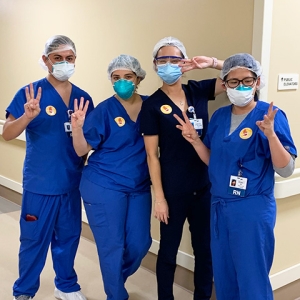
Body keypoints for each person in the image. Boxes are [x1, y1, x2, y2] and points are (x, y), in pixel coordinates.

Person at [174, 53, 297, 300]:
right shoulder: (219, 117)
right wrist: (196, 141)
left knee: (252, 276)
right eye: (233, 81)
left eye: (247, 81)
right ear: (224, 84)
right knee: (224, 274)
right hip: (219, 206)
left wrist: (271, 135)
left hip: (251, 208)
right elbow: (214, 161)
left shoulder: (270, 115)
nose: (240, 86)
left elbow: (286, 168)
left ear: (257, 82)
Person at [3, 35, 94, 300]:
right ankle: (24, 290)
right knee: (33, 239)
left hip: (70, 183)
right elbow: (7, 133)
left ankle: (66, 285)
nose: (64, 63)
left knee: (68, 237)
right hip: (41, 183)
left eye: (70, 58)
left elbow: (89, 141)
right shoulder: (30, 93)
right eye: (58, 58)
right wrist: (26, 116)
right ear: (46, 60)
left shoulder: (83, 98)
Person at [139, 36, 224, 300]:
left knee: (205, 252)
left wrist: (210, 63)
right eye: (163, 60)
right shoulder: (151, 105)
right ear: (155, 65)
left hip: (204, 187)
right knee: (167, 253)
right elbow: (152, 156)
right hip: (173, 192)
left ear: (183, 61)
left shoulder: (198, 89)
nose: (169, 65)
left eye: (175, 59)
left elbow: (248, 73)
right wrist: (160, 199)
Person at [71, 54, 152, 300]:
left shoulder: (151, 105)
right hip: (103, 184)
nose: (122, 82)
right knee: (112, 246)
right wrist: (76, 127)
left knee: (140, 244)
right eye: (116, 78)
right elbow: (81, 150)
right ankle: (116, 295)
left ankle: (115, 278)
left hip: (139, 186)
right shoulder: (105, 110)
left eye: (128, 77)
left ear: (138, 78)